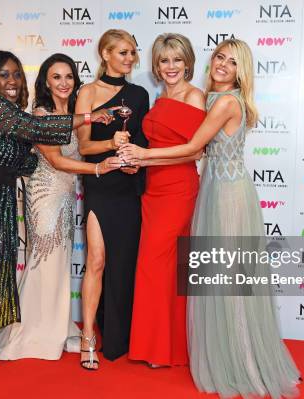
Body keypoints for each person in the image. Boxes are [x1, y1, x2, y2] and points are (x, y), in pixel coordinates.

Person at [119, 39, 300, 398]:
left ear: (240, 71)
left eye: (232, 63)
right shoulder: (210, 96)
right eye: (219, 57)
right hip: (213, 189)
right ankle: (220, 351)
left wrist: (141, 155)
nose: (222, 65)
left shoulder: (225, 101)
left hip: (228, 194)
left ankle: (242, 362)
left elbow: (192, 148)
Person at [0, 50, 115, 369]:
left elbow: (22, 158)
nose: (12, 80)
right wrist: (89, 117)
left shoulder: (7, 110)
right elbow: (34, 128)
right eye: (4, 74)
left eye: (16, 74)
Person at [0, 54, 121, 360]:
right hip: (44, 194)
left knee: (58, 263)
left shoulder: (78, 112)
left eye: (69, 76)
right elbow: (56, 160)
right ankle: (32, 329)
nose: (64, 83)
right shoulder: (41, 114)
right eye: (56, 77)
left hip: (67, 195)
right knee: (43, 260)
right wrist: (99, 170)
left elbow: (85, 148)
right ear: (46, 81)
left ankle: (55, 326)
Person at [128, 33, 205, 368]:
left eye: (177, 59)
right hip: (153, 189)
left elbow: (194, 150)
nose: (171, 66)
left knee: (158, 266)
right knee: (157, 269)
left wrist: (145, 157)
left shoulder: (194, 96)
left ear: (187, 62)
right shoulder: (159, 98)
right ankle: (159, 346)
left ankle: (163, 349)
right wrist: (139, 161)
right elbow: (157, 149)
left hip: (178, 189)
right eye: (164, 60)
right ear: (156, 66)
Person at [75, 29, 149, 370]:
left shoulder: (139, 94)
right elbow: (84, 146)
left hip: (128, 187)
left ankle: (120, 336)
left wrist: (137, 161)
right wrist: (110, 144)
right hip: (100, 182)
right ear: (105, 54)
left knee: (123, 264)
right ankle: (88, 337)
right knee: (97, 260)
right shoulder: (87, 93)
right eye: (122, 52)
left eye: (133, 53)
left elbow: (145, 142)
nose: (129, 59)